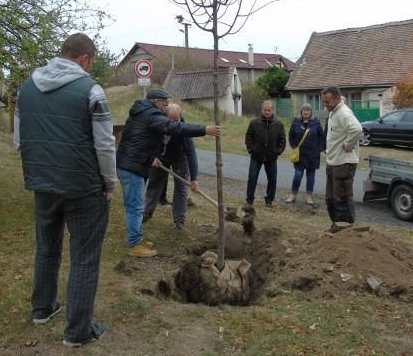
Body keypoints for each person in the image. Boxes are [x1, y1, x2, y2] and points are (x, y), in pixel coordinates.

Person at [14, 33, 115, 347]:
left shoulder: (26, 89)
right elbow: (105, 145)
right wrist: (109, 182)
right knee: (84, 259)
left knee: (46, 249)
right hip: (83, 188)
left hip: (42, 185)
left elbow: (19, 141)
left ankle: (42, 309)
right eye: (92, 62)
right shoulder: (91, 90)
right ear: (85, 58)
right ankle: (77, 333)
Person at [116, 89, 220, 257]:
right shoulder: (152, 115)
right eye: (164, 103)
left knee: (136, 204)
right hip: (131, 165)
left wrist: (153, 158)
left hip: (136, 162)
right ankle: (134, 244)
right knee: (135, 206)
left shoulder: (143, 111)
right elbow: (171, 128)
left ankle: (143, 235)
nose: (165, 107)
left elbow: (141, 140)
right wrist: (205, 129)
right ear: (156, 101)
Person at [143, 103, 199, 230]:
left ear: (180, 117)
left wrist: (194, 178)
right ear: (165, 117)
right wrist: (154, 157)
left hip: (180, 157)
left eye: (177, 120)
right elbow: (149, 143)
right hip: (161, 156)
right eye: (171, 120)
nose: (175, 124)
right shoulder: (158, 125)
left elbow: (191, 153)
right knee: (155, 182)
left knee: (181, 187)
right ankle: (147, 212)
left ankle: (179, 221)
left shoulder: (184, 129)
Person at [321, 86, 362, 233]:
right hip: (333, 162)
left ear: (337, 99)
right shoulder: (333, 112)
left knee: (342, 198)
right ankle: (336, 227)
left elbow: (357, 129)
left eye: (327, 102)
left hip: (344, 164)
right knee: (330, 198)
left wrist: (348, 145)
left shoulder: (344, 113)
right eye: (324, 102)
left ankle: (347, 232)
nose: (325, 105)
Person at [245, 100, 286, 206]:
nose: (267, 112)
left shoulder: (279, 124)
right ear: (261, 110)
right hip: (256, 156)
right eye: (265, 110)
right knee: (252, 178)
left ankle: (269, 200)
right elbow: (248, 136)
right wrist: (251, 149)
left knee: (272, 179)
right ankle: (249, 200)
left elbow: (282, 140)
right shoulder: (254, 122)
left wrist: (278, 151)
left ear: (272, 110)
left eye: (269, 110)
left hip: (271, 157)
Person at [286, 104, 326, 205]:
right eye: (304, 110)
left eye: (308, 110)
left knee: (311, 177)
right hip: (300, 155)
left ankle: (309, 196)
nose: (306, 112)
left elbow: (322, 137)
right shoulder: (296, 122)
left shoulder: (316, 123)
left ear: (311, 112)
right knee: (297, 175)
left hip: (313, 156)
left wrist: (319, 149)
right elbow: (291, 136)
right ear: (301, 111)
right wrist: (294, 146)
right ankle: (293, 195)